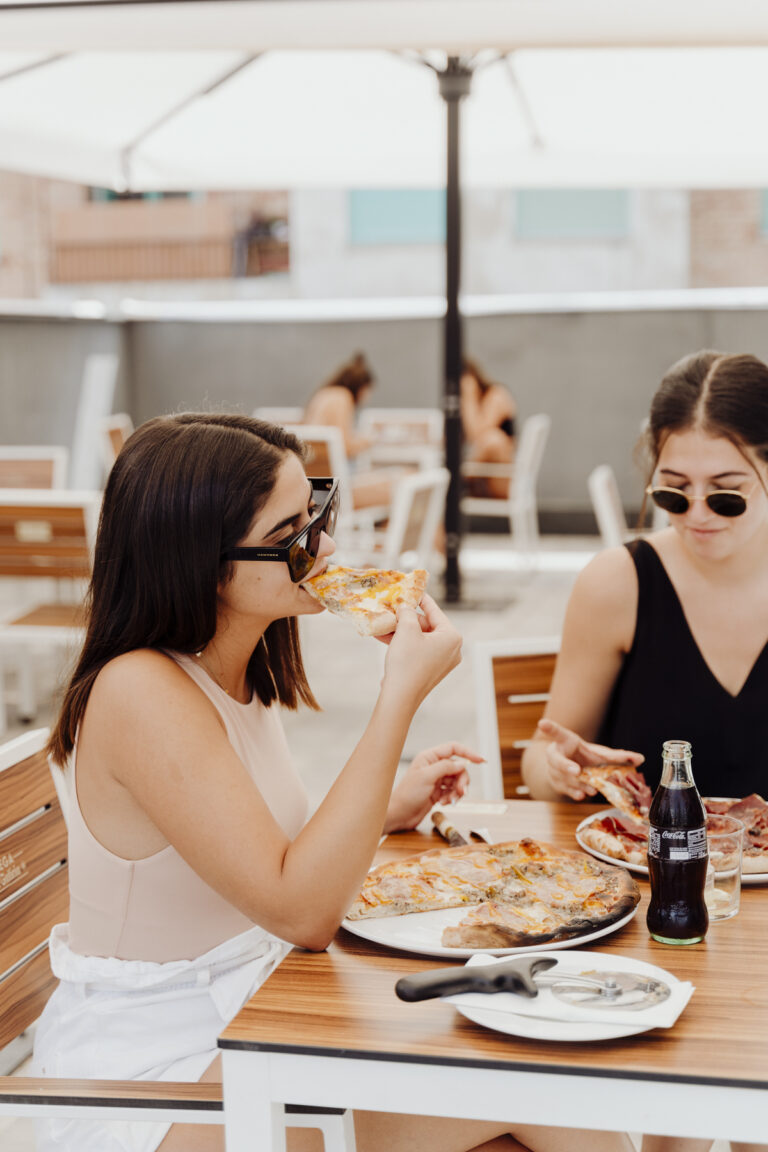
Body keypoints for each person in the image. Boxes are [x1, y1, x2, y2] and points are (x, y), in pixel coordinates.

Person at [33, 412, 632, 1152]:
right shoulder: (139, 693)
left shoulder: (233, 669)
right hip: (157, 1080)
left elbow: (252, 859)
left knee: (530, 1069)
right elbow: (301, 910)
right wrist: (400, 696)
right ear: (200, 561)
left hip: (254, 1024)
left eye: (317, 512)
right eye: (291, 538)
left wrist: (385, 807)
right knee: (535, 1083)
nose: (325, 548)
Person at [521, 350, 768, 1152]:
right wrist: (556, 768)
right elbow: (543, 759)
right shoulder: (617, 583)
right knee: (672, 1129)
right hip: (649, 913)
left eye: (726, 496)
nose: (695, 515)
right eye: (672, 490)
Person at [304, 352, 395, 509]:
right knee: (403, 486)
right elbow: (344, 448)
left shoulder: (324, 394)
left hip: (316, 488)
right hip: (336, 491)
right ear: (361, 387)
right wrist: (369, 441)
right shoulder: (342, 398)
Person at [461, 358, 517, 499]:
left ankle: (456, 481)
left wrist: (468, 398)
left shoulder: (496, 394)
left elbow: (477, 435)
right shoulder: (468, 405)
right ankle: (456, 481)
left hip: (501, 479)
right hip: (482, 477)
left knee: (493, 439)